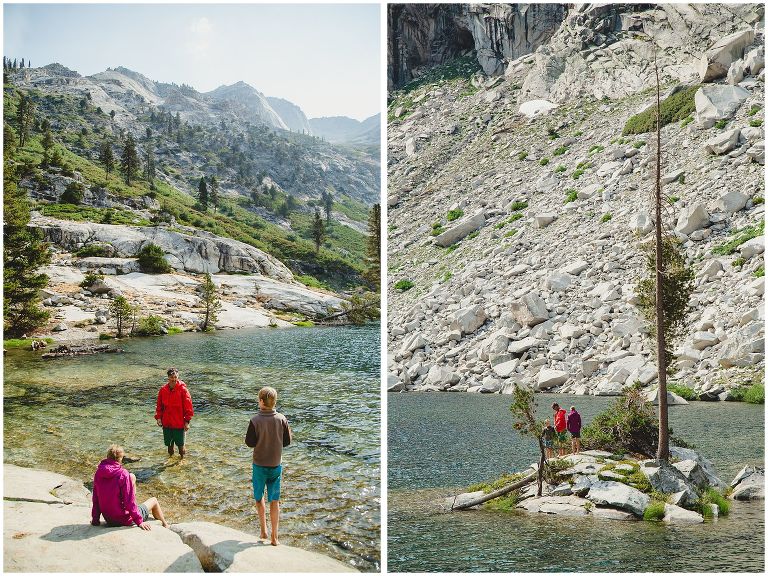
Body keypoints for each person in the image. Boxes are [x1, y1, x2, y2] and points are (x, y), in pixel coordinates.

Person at [245, 386, 292, 546]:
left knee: (259, 498)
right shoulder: (282, 419)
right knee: (275, 500)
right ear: (274, 402)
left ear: (260, 401)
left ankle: (263, 530)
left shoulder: (255, 420)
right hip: (275, 465)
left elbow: (249, 443)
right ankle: (274, 537)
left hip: (259, 465)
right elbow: (287, 441)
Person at [91, 444, 168, 529]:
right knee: (154, 500)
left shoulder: (99, 473)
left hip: (109, 519)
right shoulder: (123, 474)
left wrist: (95, 520)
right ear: (120, 459)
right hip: (124, 519)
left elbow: (96, 499)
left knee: (132, 476)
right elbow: (129, 502)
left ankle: (136, 506)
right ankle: (166, 525)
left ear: (107, 456)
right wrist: (139, 521)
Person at [155, 367, 193, 458]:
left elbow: (189, 407)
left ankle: (182, 461)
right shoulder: (163, 390)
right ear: (168, 378)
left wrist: (187, 421)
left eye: (175, 377)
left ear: (178, 377)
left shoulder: (183, 390)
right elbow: (159, 406)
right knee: (169, 446)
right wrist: (159, 418)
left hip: (179, 423)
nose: (174, 379)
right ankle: (170, 460)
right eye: (171, 377)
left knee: (181, 446)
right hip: (167, 423)